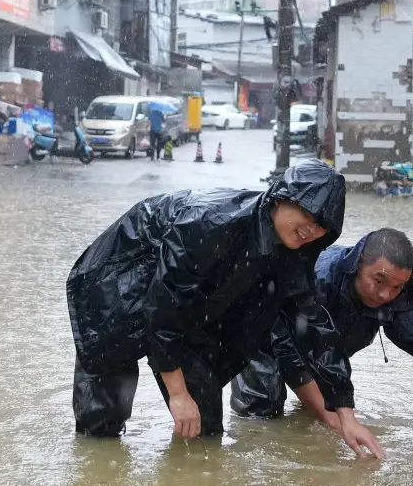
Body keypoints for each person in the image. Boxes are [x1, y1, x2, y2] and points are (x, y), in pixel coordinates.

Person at [65, 161, 386, 458]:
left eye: (322, 228)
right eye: (308, 216)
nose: (311, 230)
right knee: (102, 427)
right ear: (279, 199)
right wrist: (177, 394)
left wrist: (345, 413)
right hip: (115, 288)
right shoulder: (208, 224)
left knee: (203, 427)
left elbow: (313, 326)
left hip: (185, 307)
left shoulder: (294, 255)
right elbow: (163, 311)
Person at [230, 228, 413, 428]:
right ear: (359, 263)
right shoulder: (318, 279)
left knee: (321, 414)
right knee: (263, 419)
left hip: (325, 348)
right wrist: (337, 422)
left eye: (397, 286)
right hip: (264, 337)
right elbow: (289, 354)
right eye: (379, 281)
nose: (385, 294)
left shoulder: (392, 298)